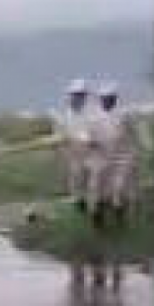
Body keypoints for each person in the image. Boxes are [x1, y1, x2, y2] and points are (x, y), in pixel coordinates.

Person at [91, 83, 140, 224]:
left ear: (114, 98)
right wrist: (90, 142)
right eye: (103, 98)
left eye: (109, 98)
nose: (106, 100)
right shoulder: (95, 117)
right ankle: (97, 220)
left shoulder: (124, 114)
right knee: (98, 190)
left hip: (123, 158)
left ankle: (120, 221)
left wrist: (136, 153)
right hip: (103, 158)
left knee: (118, 190)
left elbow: (135, 133)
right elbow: (89, 136)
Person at [55, 80, 96, 211]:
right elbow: (60, 136)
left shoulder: (93, 112)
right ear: (70, 95)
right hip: (74, 155)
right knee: (76, 181)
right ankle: (79, 204)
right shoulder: (65, 115)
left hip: (92, 154)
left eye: (80, 94)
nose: (78, 97)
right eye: (75, 94)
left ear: (85, 95)